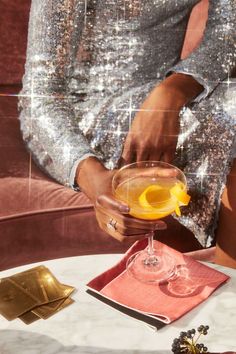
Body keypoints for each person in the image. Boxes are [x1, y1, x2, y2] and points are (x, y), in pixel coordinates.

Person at [19, 1, 236, 266]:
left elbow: (227, 34)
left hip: (160, 101)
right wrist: (92, 178)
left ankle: (227, 298)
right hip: (74, 117)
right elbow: (41, 96)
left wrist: (171, 93)